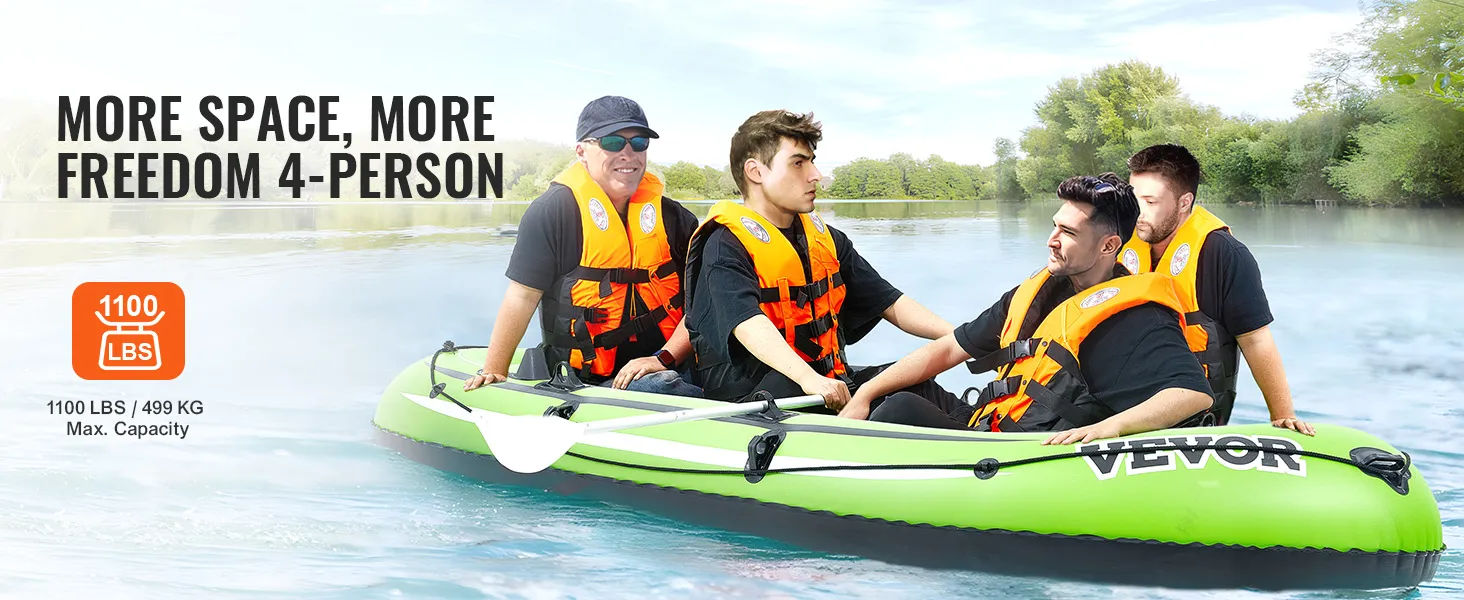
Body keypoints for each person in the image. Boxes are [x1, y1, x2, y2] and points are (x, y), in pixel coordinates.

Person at [840, 174, 1214, 445]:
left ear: (1108, 246)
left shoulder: (1137, 316)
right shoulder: (1036, 293)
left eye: (1067, 232)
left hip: (1029, 452)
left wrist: (1109, 429)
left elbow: (1193, 394)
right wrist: (865, 394)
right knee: (883, 381)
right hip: (989, 426)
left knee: (899, 410)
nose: (1051, 240)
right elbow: (949, 348)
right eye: (1055, 226)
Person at [683, 110, 954, 407]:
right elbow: (746, 323)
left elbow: (889, 301)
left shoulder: (826, 239)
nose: (815, 175)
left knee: (917, 389)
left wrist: (959, 336)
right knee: (895, 408)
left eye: (811, 161)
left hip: (826, 385)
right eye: (798, 163)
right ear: (755, 171)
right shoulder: (724, 246)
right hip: (759, 404)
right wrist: (808, 378)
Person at [463, 96, 700, 396]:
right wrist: (494, 371)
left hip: (666, 363)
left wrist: (663, 358)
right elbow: (521, 298)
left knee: (686, 379)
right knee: (663, 387)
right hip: (586, 381)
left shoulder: (676, 219)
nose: (628, 153)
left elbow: (699, 306)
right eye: (612, 142)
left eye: (639, 142)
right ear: (581, 152)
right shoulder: (553, 211)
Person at [1122, 144, 1313, 435]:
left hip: (1192, 419)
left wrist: (1283, 417)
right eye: (1134, 199)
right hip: (1121, 406)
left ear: (1184, 202)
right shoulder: (1118, 245)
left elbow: (1256, 341)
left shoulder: (1225, 254)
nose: (1138, 212)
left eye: (1150, 201)